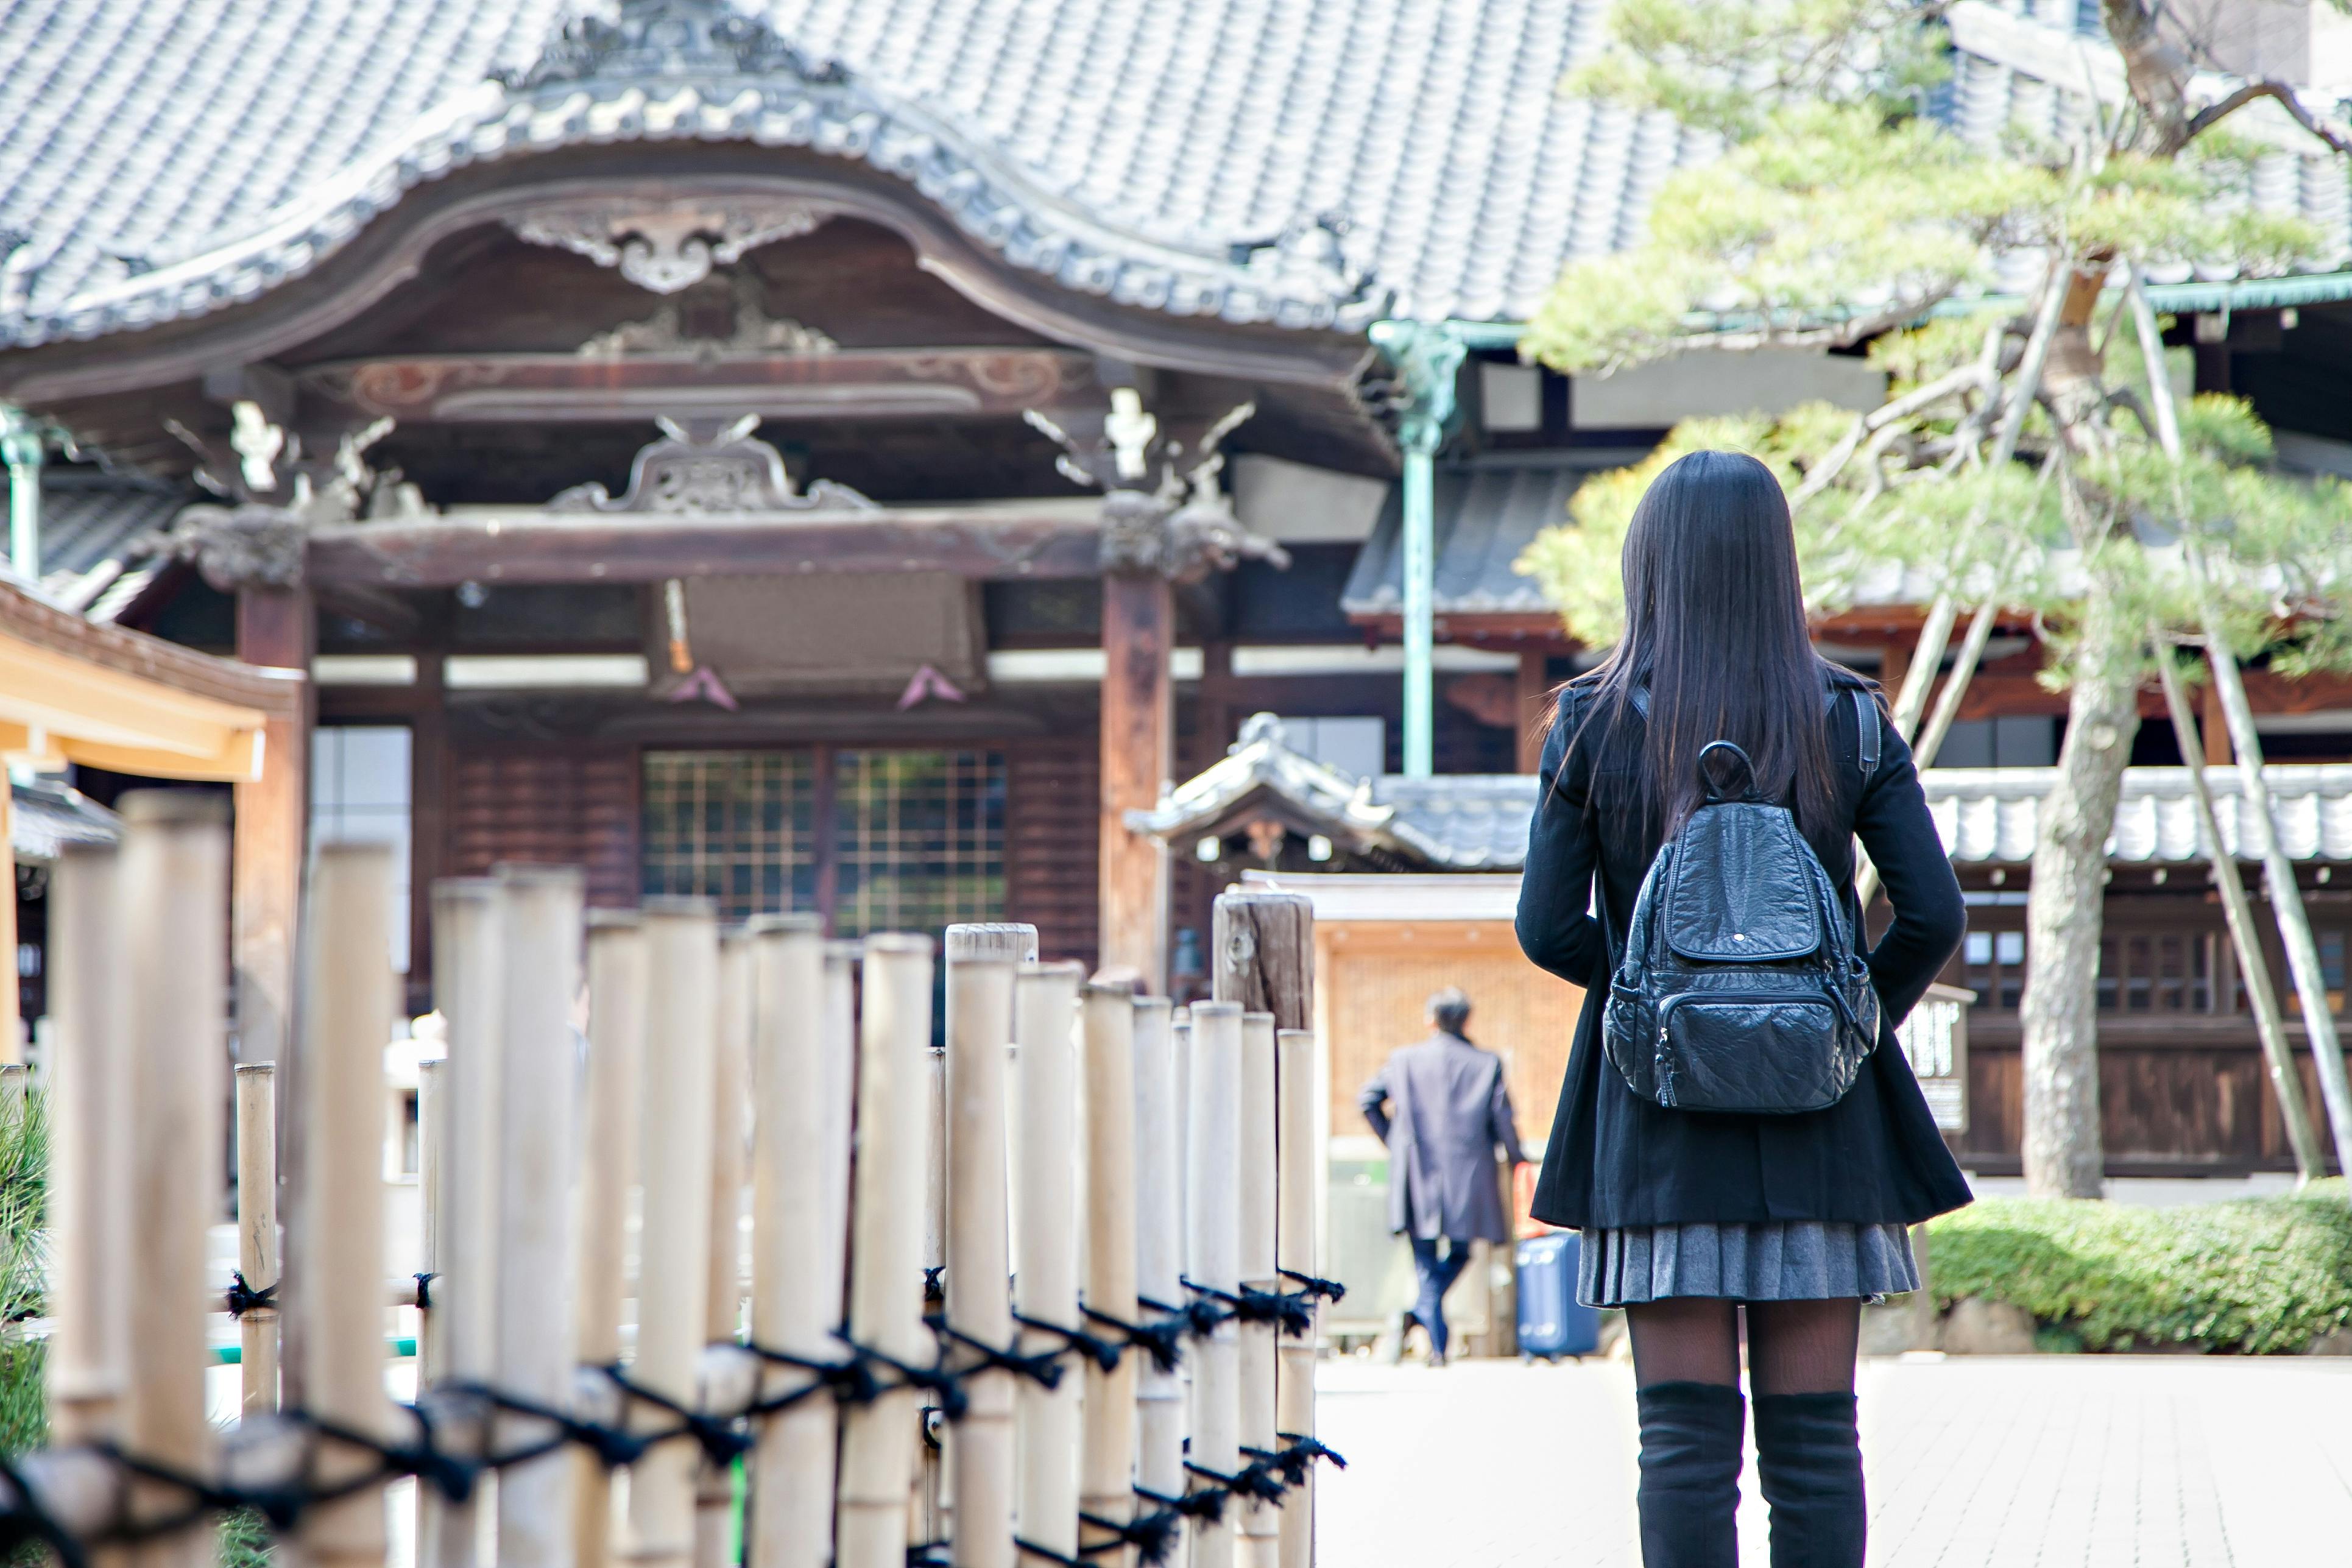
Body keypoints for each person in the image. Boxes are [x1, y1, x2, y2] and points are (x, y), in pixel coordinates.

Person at [1515, 450, 1969, 1567]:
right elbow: (1931, 914)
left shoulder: (1589, 718)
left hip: (1655, 1120)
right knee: (1817, 1445)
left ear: (1648, 564)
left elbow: (1543, 924)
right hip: (1822, 1122)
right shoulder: (1847, 717)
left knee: (1680, 1443)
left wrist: (1648, 1005)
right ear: (1778, 562)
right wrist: (1842, 1025)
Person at [1357, 987, 1526, 1366]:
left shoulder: (1404, 1061)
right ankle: (1435, 1345)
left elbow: (1367, 1100)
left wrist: (1394, 1142)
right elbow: (1504, 1119)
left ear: (1430, 1020)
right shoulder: (1485, 1063)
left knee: (1425, 1262)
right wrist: (1519, 1161)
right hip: (1468, 1177)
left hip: (1416, 1173)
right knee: (1462, 1252)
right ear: (1466, 1020)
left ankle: (1422, 1324)